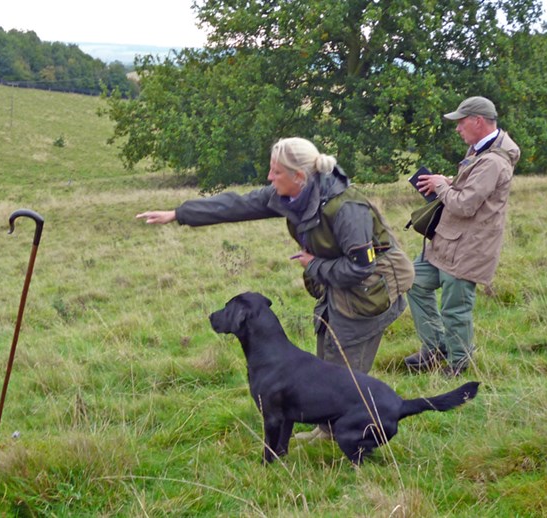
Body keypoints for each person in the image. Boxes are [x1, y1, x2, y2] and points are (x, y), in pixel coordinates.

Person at [137, 137, 414, 439]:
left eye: (276, 172)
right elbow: (238, 205)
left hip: (370, 288)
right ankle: (328, 427)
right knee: (326, 353)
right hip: (338, 281)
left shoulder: (347, 208)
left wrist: (313, 265)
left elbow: (362, 266)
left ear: (299, 176)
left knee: (344, 365)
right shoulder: (293, 195)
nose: (269, 178)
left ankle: (352, 433)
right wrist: (179, 214)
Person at [404, 96, 520, 377]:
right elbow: (470, 191)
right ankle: (435, 348)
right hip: (448, 242)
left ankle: (459, 364)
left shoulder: (493, 161)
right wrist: (449, 182)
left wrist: (442, 186)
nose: (457, 128)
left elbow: (465, 205)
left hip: (469, 249)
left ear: (478, 121)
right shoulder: (481, 150)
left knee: (455, 310)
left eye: (461, 122)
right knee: (412, 280)